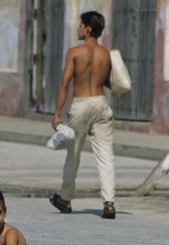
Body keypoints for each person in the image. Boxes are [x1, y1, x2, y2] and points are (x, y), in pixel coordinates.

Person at [50, 10, 116, 219]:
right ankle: (109, 203)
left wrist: (57, 114)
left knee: (74, 154)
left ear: (88, 28)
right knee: (106, 156)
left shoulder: (75, 52)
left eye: (80, 25)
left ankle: (65, 198)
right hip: (101, 104)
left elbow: (64, 83)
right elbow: (107, 82)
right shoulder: (106, 54)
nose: (78, 28)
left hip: (82, 104)